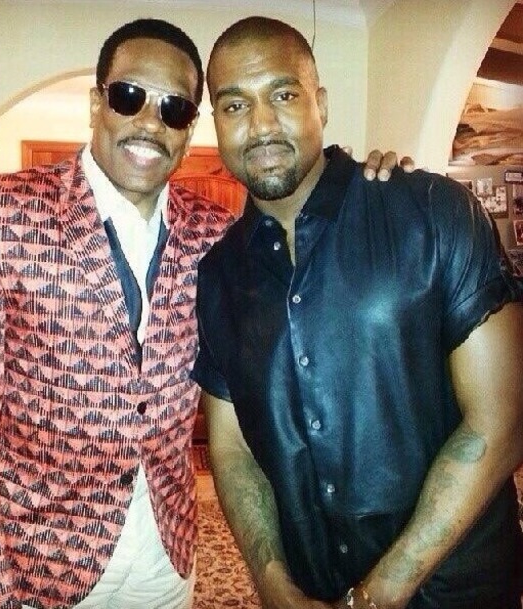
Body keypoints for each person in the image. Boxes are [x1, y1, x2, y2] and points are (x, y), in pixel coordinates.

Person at [0, 17, 404, 609]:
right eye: (130, 96)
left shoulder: (216, 234)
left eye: (174, 108)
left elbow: (304, 243)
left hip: (166, 558)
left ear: (191, 127)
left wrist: (371, 191)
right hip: (36, 561)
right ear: (97, 103)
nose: (151, 121)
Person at [193, 16, 523, 609]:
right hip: (311, 587)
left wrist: (381, 591)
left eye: (283, 95)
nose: (261, 125)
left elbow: (502, 419)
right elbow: (234, 448)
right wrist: (271, 583)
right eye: (235, 105)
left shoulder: (430, 212)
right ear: (215, 121)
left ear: (320, 104)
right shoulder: (219, 276)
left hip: (456, 591)